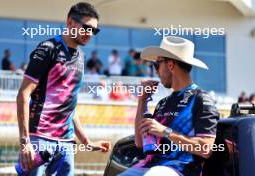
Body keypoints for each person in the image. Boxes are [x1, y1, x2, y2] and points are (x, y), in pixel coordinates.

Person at [16, 2, 110, 176]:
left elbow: (70, 106)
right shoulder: (48, 49)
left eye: (94, 30)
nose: (89, 34)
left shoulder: (82, 57)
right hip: (39, 139)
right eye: (86, 28)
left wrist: (86, 141)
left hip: (67, 144)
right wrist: (25, 142)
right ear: (70, 23)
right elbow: (23, 94)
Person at [119, 36, 220, 176]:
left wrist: (166, 132)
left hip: (178, 170)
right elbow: (140, 143)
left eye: (157, 65)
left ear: (171, 65)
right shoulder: (163, 103)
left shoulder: (202, 100)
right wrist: (142, 101)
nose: (156, 71)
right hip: (150, 166)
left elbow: (206, 149)